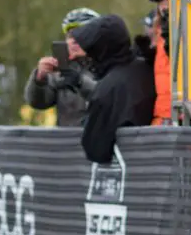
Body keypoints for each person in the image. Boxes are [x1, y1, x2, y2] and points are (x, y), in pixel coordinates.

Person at [67, 14, 156, 164]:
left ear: (99, 50)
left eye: (90, 49)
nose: (87, 54)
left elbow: (96, 150)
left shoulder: (107, 90)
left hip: (135, 171)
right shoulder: (148, 67)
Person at [24, 8, 100, 126]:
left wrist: (80, 82)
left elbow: (110, 99)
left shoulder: (111, 63)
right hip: (67, 141)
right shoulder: (62, 69)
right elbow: (39, 103)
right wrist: (39, 80)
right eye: (69, 35)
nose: (73, 40)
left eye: (80, 34)